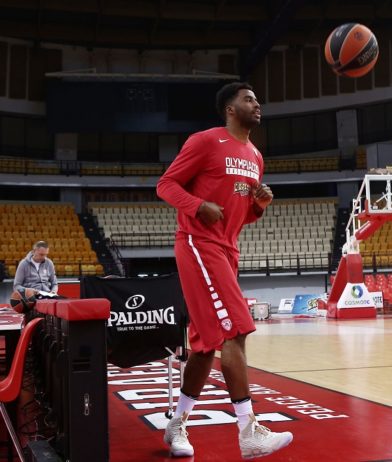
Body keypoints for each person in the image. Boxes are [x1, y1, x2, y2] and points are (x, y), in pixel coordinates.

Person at [157, 82, 293, 459]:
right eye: (249, 99)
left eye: (257, 99)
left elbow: (238, 215)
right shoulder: (205, 141)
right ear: (230, 109)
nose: (257, 104)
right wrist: (197, 205)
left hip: (227, 249)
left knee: (204, 348)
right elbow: (166, 185)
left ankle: (176, 424)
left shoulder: (255, 156)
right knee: (235, 330)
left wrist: (258, 206)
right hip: (198, 244)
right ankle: (249, 431)